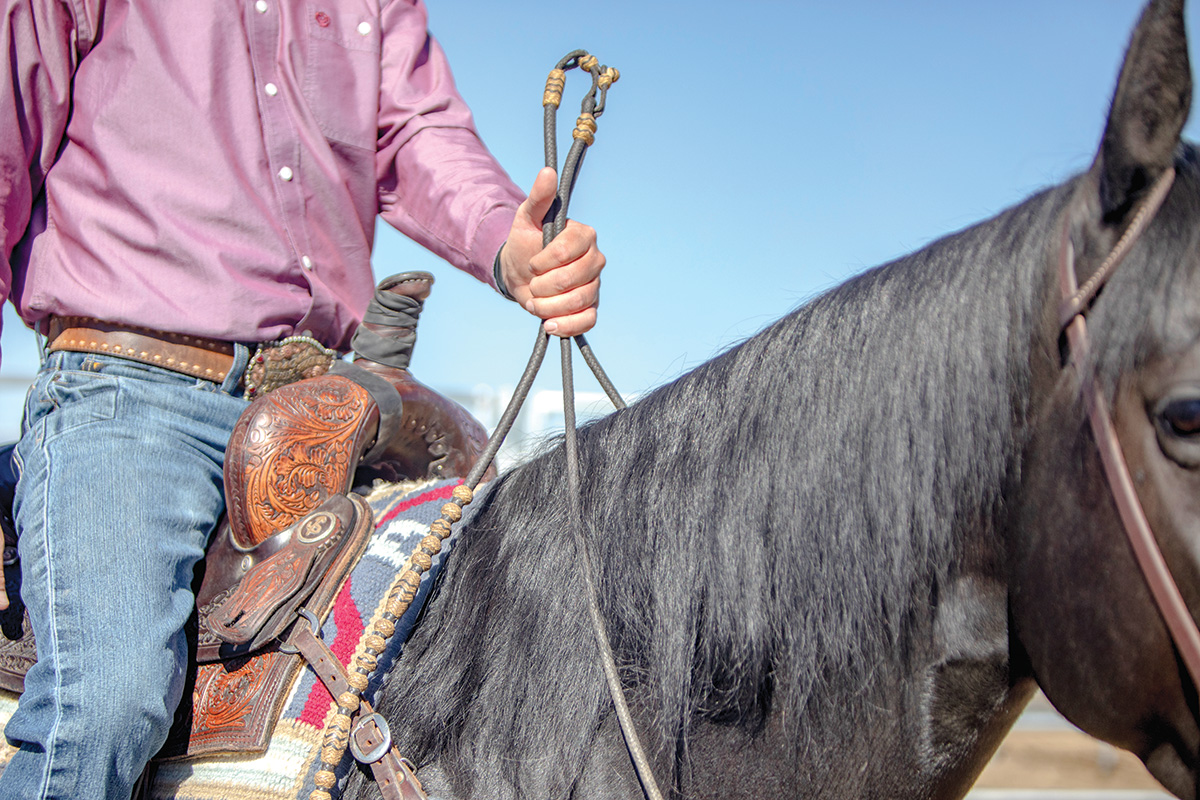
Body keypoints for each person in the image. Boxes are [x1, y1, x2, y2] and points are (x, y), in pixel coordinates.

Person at [0, 1, 605, 797]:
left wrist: (507, 242)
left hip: (327, 410)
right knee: (110, 696)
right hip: (129, 393)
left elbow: (416, 132)